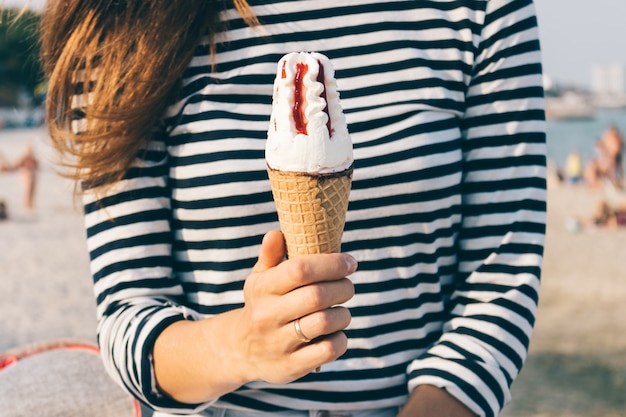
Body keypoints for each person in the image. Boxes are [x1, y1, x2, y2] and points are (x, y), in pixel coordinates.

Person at [40, 1, 547, 417]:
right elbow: (128, 319)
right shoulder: (120, 18)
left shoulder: (483, 9)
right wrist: (239, 345)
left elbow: (503, 272)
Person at [14, 143, 39, 211]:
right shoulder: (25, 158)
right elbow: (17, 165)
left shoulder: (33, 158)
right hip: (27, 175)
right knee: (28, 190)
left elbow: (37, 166)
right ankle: (27, 204)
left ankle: (30, 204)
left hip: (32, 175)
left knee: (32, 190)